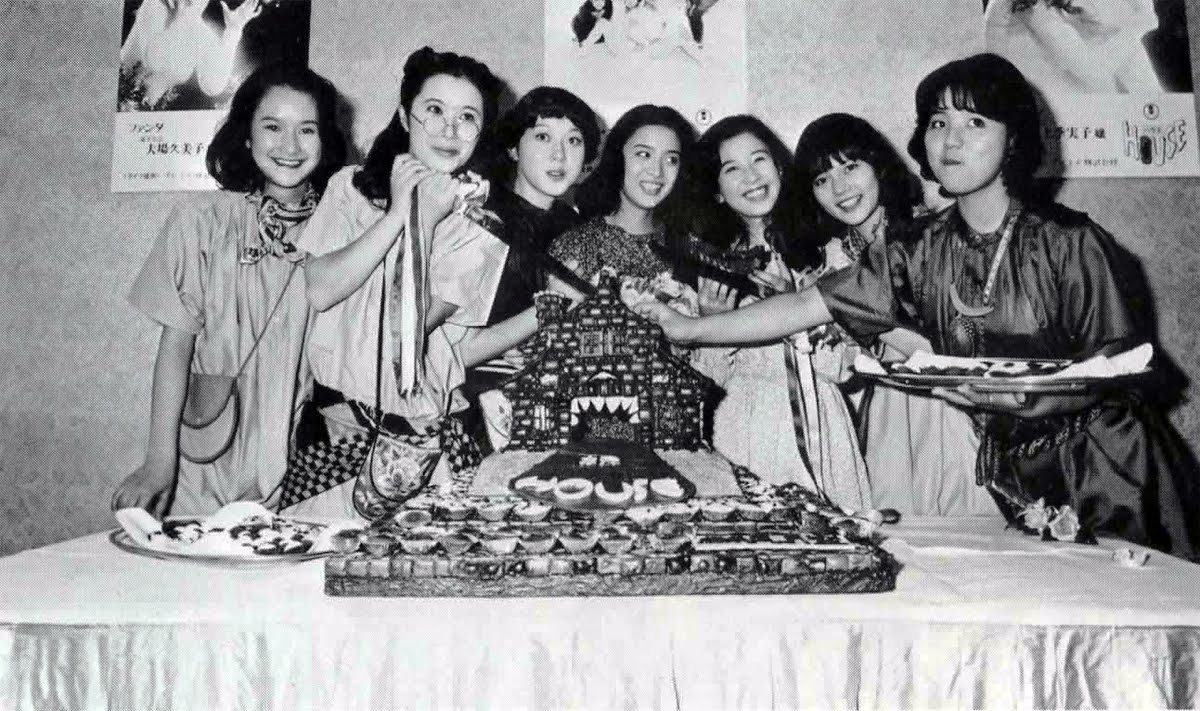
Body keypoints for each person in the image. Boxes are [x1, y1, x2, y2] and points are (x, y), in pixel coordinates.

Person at [637, 53, 1199, 558]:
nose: (951, 141)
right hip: (1014, 476)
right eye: (937, 123)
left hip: (1111, 469)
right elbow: (807, 304)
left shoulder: (1071, 241)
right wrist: (689, 329)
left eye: (974, 123)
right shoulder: (914, 248)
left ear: (1013, 138)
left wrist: (1028, 397)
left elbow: (1120, 364)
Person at [112, 62, 347, 517]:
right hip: (206, 463)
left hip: (303, 467)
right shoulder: (202, 223)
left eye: (307, 130)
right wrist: (158, 463)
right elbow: (175, 349)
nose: (290, 146)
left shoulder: (343, 233)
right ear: (247, 136)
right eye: (272, 127)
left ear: (325, 141)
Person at [283, 47, 508, 516]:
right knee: (315, 553)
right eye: (434, 110)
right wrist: (397, 215)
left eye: (467, 117)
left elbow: (408, 331)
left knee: (423, 559)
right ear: (406, 116)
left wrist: (422, 223)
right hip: (336, 425)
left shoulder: (481, 228)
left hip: (425, 444)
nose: (449, 130)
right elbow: (321, 289)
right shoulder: (349, 188)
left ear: (481, 131)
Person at [793, 112, 994, 516]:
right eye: (822, 180)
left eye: (850, 167)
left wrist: (858, 318)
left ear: (878, 166)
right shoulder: (830, 263)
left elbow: (959, 351)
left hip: (951, 407)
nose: (839, 188)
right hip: (887, 413)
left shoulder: (933, 237)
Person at [676, 114, 872, 509]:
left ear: (780, 167)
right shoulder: (708, 267)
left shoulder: (831, 254)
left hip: (820, 427)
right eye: (732, 169)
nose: (750, 177)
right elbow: (701, 389)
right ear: (717, 190)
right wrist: (711, 323)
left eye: (759, 159)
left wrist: (794, 308)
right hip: (739, 428)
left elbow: (845, 370)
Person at [460, 86, 601, 450]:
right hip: (477, 412)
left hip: (557, 408)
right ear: (513, 148)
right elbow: (454, 353)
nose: (559, 154)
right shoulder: (481, 218)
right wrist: (550, 307)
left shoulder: (578, 228)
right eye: (542, 137)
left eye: (574, 140)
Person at [548, 103, 694, 282]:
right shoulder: (577, 247)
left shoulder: (692, 250)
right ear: (617, 158)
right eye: (644, 154)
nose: (657, 172)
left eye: (671, 159)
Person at [120, 0, 265, 110]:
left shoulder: (200, 30)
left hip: (146, 114)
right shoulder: (155, 5)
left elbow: (212, 86)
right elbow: (154, 62)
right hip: (118, 106)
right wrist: (186, 15)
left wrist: (233, 31)